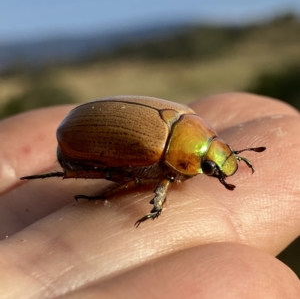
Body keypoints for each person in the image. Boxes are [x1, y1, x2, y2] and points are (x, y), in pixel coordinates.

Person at [0, 93, 299, 298]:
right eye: (210, 167)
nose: (216, 170)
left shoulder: (188, 119)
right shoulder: (162, 153)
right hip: (79, 143)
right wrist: (158, 202)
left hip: (97, 120)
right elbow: (151, 175)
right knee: (126, 175)